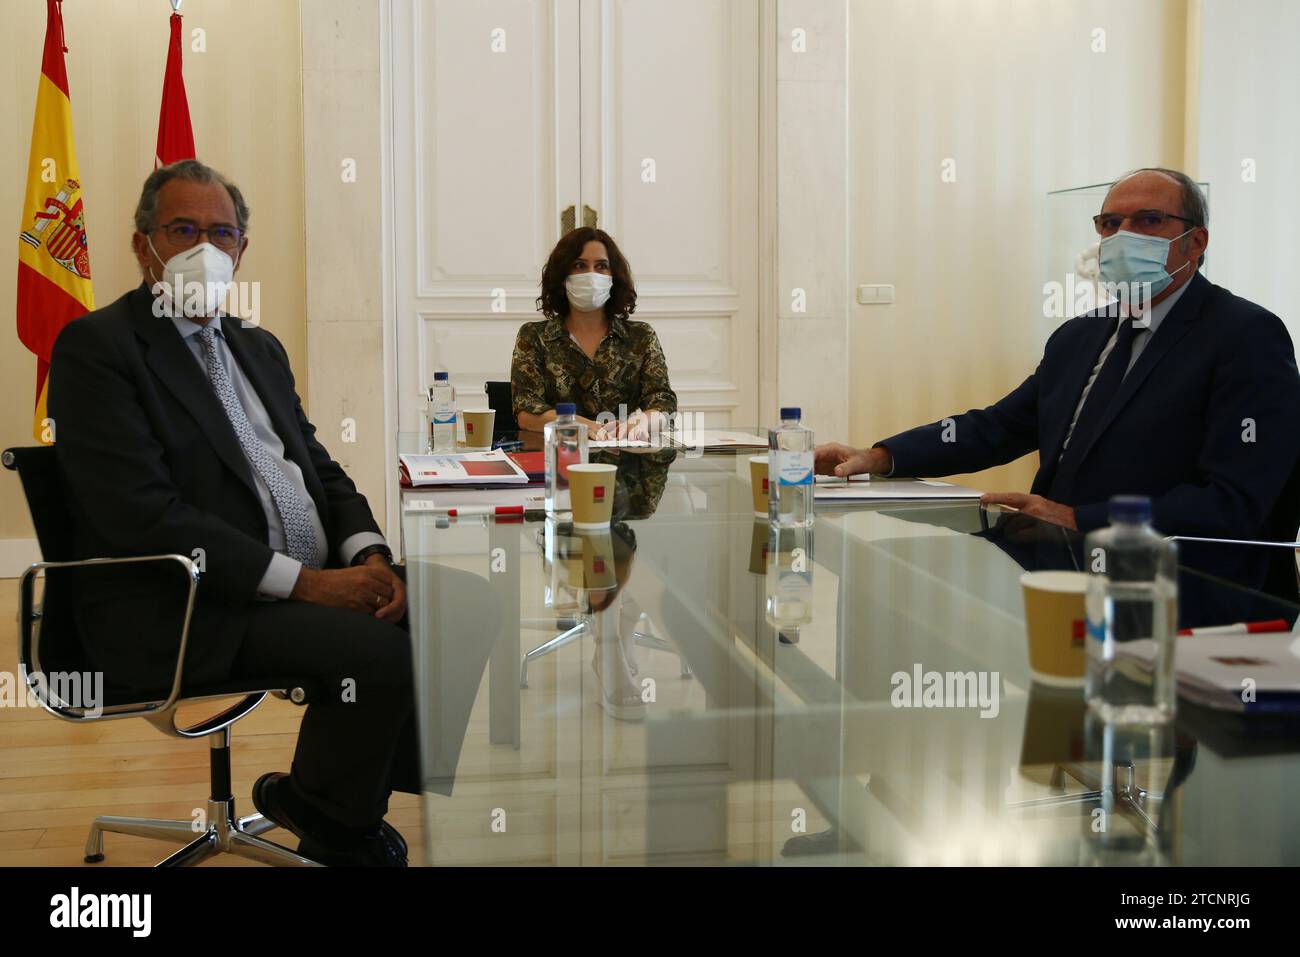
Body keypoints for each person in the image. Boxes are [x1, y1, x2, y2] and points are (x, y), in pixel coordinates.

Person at [47, 159, 493, 866]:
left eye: (221, 232)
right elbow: (143, 516)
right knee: (378, 650)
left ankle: (332, 801)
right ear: (144, 246)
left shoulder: (258, 347)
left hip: (298, 579)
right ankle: (336, 819)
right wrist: (310, 585)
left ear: (242, 251)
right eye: (183, 229)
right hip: (182, 598)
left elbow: (319, 468)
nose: (205, 248)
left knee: (465, 604)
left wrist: (368, 558)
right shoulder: (98, 350)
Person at [815, 168, 1300, 605]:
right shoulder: (1081, 335)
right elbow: (1001, 426)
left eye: (1148, 221)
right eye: (1110, 224)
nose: (1122, 236)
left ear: (1195, 244)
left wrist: (1078, 518)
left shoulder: (1245, 335)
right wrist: (880, 457)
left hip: (1175, 580)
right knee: (882, 578)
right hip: (1053, 559)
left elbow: (1234, 501)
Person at [511, 227, 677, 440]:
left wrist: (643, 420)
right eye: (580, 265)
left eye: (601, 266)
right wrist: (579, 425)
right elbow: (525, 413)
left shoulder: (641, 336)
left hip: (625, 460)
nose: (591, 275)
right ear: (563, 278)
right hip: (558, 460)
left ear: (613, 277)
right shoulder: (534, 337)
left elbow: (663, 403)